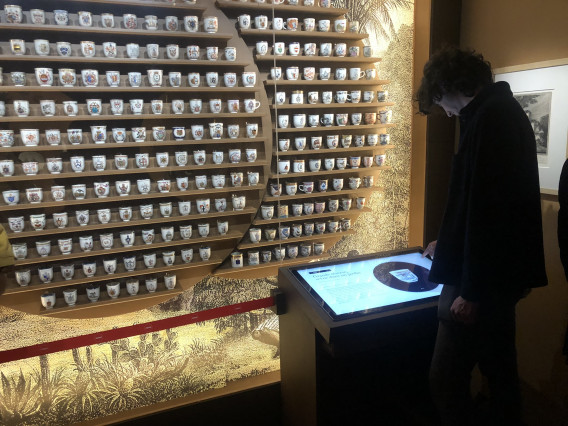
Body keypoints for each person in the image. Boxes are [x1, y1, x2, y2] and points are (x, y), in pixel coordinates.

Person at [416, 46, 548, 425]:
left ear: (445, 86)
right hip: (497, 278)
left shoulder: (490, 119)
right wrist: (451, 243)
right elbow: (484, 203)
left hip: (481, 284)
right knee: (500, 373)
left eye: (439, 100)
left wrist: (471, 292)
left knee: (445, 380)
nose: (444, 110)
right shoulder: (498, 112)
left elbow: (491, 212)